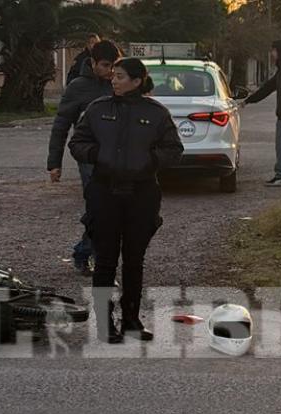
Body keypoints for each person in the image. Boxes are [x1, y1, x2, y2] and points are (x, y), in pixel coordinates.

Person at [68, 58, 184, 344]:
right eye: (113, 75)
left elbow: (174, 148)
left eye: (119, 76)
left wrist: (150, 161)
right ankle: (105, 323)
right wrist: (97, 156)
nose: (113, 80)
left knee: (134, 260)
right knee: (105, 260)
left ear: (136, 81)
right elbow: (77, 142)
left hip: (141, 194)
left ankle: (131, 319)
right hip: (104, 192)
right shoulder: (98, 109)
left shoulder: (156, 113)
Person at [48, 40, 121, 275]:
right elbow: (61, 125)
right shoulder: (78, 87)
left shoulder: (119, 84)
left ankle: (83, 251)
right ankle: (100, 263)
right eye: (105, 65)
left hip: (117, 157)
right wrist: (54, 163)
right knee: (100, 206)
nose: (110, 71)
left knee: (109, 208)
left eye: (114, 66)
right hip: (89, 156)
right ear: (92, 63)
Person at [240, 39, 281, 186]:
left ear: (280, 51)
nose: (272, 53)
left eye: (274, 50)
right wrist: (249, 100)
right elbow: (268, 88)